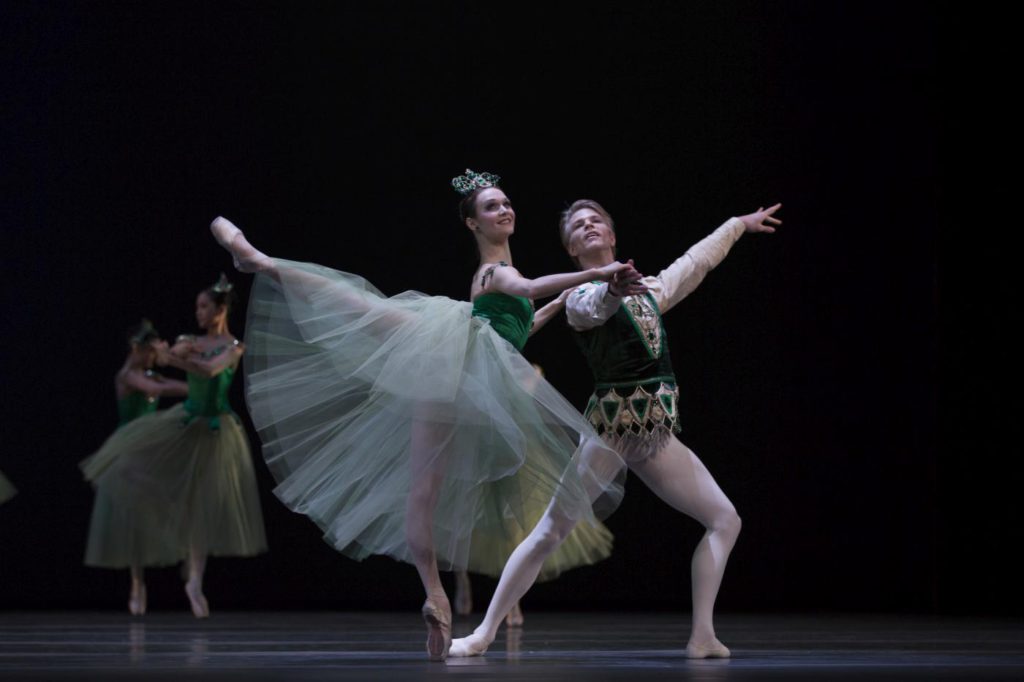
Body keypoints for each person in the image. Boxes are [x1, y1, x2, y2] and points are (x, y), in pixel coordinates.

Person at [210, 169, 640, 660]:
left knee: (425, 486)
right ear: (474, 226)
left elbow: (515, 326)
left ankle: (435, 592)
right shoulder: (495, 272)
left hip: (458, 369)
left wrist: (555, 306)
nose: (504, 210)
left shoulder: (501, 280)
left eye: (505, 203)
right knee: (359, 308)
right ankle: (260, 261)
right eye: (491, 207)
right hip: (454, 353)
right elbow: (528, 286)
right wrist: (594, 274)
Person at [449, 199, 781, 659]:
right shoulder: (583, 299)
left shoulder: (651, 290)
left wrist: (737, 225)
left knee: (725, 520)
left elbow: (694, 263)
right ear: (572, 249)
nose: (588, 227)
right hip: (610, 432)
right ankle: (483, 633)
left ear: (611, 235)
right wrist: (611, 287)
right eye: (578, 226)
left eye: (595, 221)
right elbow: (595, 309)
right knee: (550, 531)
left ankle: (702, 636)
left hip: (654, 434)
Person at [81, 278, 268, 618]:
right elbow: (167, 364)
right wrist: (170, 353)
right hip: (185, 424)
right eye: (196, 307)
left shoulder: (235, 347)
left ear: (220, 310)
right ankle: (157, 563)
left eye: (204, 307)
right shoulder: (188, 341)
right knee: (136, 477)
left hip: (217, 430)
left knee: (204, 506)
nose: (197, 313)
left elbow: (211, 370)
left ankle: (194, 581)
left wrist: (174, 359)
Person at [82, 319, 189, 614]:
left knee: (157, 506)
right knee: (133, 516)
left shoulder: (152, 373)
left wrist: (195, 378)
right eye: (149, 351)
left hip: (150, 450)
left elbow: (177, 387)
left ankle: (181, 551)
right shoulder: (127, 376)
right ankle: (137, 582)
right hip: (127, 449)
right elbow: (156, 387)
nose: (153, 358)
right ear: (136, 349)